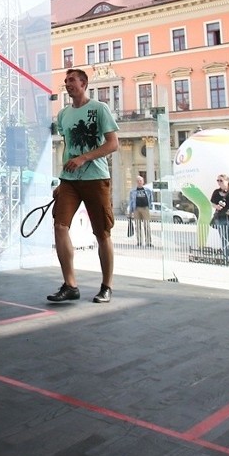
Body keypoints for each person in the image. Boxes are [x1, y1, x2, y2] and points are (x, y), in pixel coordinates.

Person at [47, 68, 119, 304]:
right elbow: (68, 148)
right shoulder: (63, 115)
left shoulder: (99, 109)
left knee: (102, 233)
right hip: (70, 181)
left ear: (84, 84)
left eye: (72, 80)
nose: (67, 84)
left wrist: (84, 158)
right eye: (65, 81)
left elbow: (112, 144)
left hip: (96, 178)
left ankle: (106, 286)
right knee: (60, 226)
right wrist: (61, 181)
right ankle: (70, 285)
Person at [127, 175, 152, 247]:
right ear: (136, 182)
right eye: (138, 181)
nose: (139, 182)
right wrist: (130, 211)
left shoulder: (147, 190)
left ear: (143, 181)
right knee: (137, 226)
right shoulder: (133, 191)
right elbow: (131, 201)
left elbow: (150, 199)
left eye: (140, 181)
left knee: (147, 225)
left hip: (145, 208)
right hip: (136, 209)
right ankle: (139, 241)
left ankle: (148, 242)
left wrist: (149, 206)